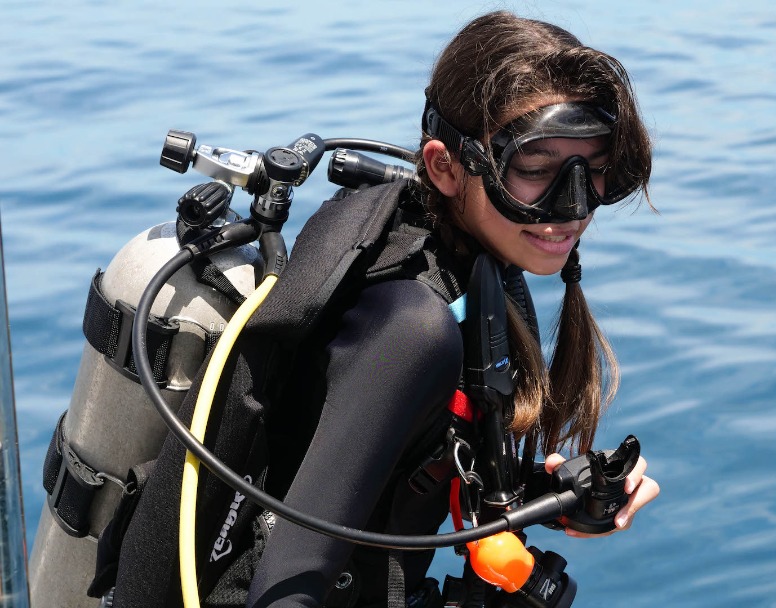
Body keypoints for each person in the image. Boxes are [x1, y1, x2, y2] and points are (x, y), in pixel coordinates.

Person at [106, 10, 659, 608]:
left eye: (595, 171)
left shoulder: (465, 261)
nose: (574, 206)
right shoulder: (413, 328)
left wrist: (557, 495)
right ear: (446, 166)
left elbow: (402, 461)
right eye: (536, 170)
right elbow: (288, 582)